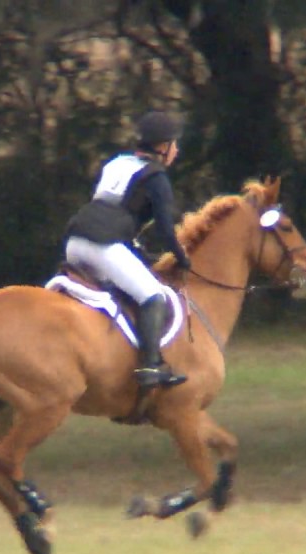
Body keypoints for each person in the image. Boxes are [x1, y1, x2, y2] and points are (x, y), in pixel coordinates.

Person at [62, 110, 192, 388]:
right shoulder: (157, 178)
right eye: (174, 143)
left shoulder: (117, 163)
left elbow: (112, 209)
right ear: (162, 147)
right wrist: (182, 259)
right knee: (153, 296)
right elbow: (166, 231)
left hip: (74, 242)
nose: (177, 150)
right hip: (103, 245)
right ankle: (151, 366)